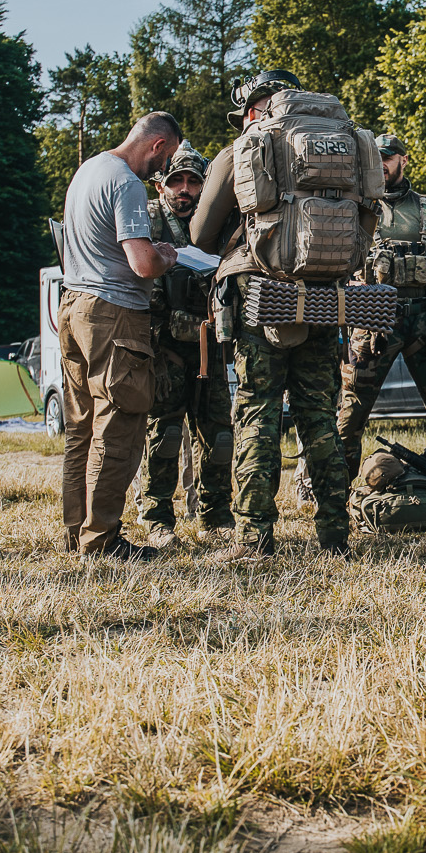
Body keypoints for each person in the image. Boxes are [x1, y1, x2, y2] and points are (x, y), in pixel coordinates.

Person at [191, 69, 359, 560]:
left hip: (259, 290)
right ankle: (335, 536)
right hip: (324, 290)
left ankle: (254, 538)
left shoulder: (244, 148)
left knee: (258, 412)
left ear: (251, 108)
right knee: (320, 416)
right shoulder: (337, 143)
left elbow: (200, 235)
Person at [57, 112, 182, 560]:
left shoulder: (88, 169)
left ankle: (78, 532)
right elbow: (142, 263)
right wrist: (166, 255)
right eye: (165, 161)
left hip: (73, 305)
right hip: (112, 314)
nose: (162, 173)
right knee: (119, 427)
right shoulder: (126, 182)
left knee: (82, 429)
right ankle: (103, 541)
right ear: (158, 145)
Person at [336, 135, 426, 477]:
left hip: (424, 319)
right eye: (376, 156)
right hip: (373, 319)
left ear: (403, 160)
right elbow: (337, 261)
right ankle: (337, 494)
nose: (381, 162)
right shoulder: (356, 206)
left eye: (388, 156)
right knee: (352, 412)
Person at [138, 142, 235, 547]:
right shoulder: (147, 219)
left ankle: (217, 515)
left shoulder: (216, 224)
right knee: (164, 435)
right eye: (176, 180)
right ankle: (157, 517)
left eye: (193, 182)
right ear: (161, 185)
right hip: (165, 347)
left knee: (219, 436)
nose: (184, 190)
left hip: (211, 348)